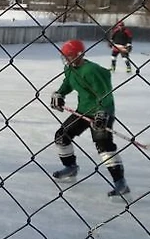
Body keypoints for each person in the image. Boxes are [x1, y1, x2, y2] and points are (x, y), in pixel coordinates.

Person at [49, 39, 130, 197]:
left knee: (103, 146)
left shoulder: (91, 70)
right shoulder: (70, 68)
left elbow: (104, 93)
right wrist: (59, 93)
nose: (67, 59)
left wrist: (102, 113)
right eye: (65, 56)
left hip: (103, 111)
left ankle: (120, 182)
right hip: (84, 110)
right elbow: (68, 83)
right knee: (61, 136)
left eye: (70, 55)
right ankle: (70, 167)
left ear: (80, 54)